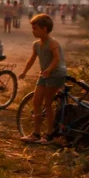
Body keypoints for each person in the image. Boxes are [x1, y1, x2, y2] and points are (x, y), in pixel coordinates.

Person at [18, 14, 66, 144]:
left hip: (56, 73)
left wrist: (49, 70)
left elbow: (57, 59)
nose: (33, 31)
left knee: (47, 103)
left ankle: (49, 134)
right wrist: (24, 72)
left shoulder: (53, 43)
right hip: (44, 74)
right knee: (36, 102)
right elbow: (32, 59)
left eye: (35, 28)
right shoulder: (36, 45)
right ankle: (36, 133)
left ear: (44, 29)